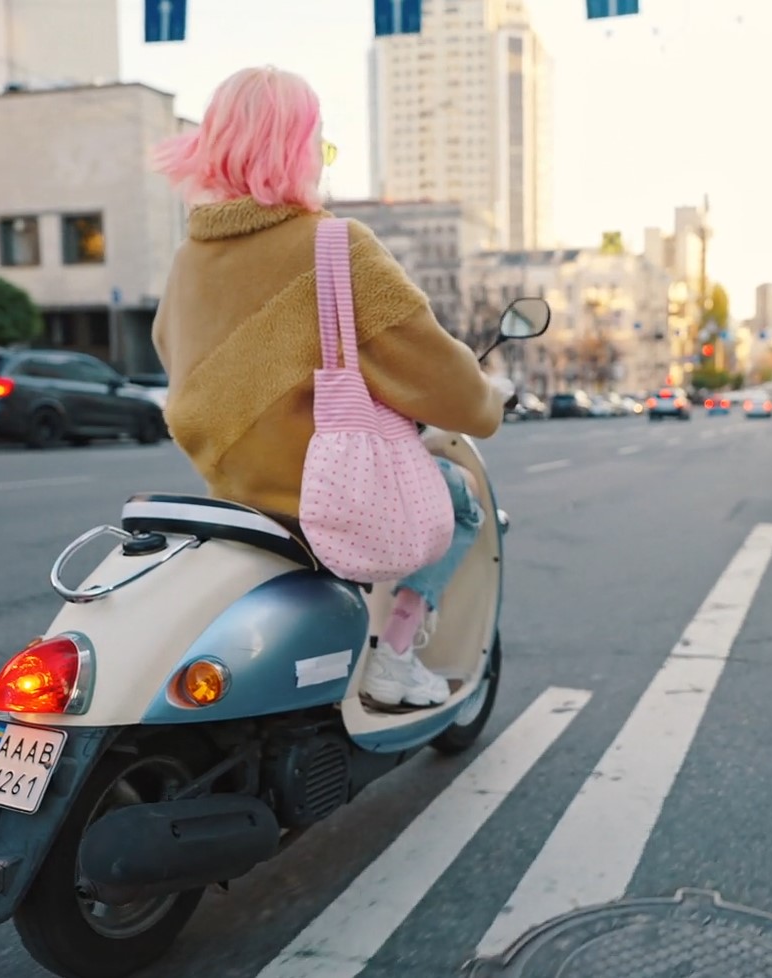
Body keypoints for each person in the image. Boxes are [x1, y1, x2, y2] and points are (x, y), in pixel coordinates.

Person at [150, 66, 514, 709]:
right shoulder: (335, 247)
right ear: (297, 149)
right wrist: (490, 395)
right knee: (460, 503)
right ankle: (395, 659)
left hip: (232, 498)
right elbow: (443, 381)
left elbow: (171, 356)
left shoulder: (188, 262)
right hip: (319, 499)